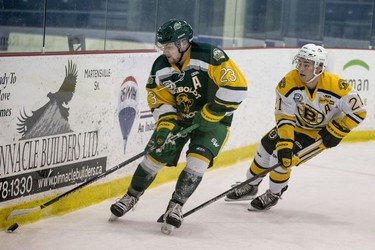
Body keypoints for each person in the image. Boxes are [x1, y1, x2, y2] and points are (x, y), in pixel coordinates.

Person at [110, 19, 248, 232]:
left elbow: (237, 87)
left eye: (169, 46)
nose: (165, 51)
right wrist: (165, 125)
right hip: (180, 117)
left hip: (214, 120)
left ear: (184, 43)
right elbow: (158, 99)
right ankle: (131, 196)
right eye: (162, 46)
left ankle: (176, 206)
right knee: (155, 154)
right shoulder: (161, 65)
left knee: (197, 162)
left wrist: (212, 111)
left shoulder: (210, 56)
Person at [225, 44, 367, 211]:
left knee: (281, 159)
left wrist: (337, 130)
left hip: (318, 134)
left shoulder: (337, 86)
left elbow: (359, 112)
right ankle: (251, 185)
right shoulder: (289, 82)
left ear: (320, 67)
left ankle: (274, 193)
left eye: (306, 65)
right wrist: (286, 140)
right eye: (299, 63)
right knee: (265, 148)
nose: (300, 68)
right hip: (295, 126)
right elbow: (284, 116)